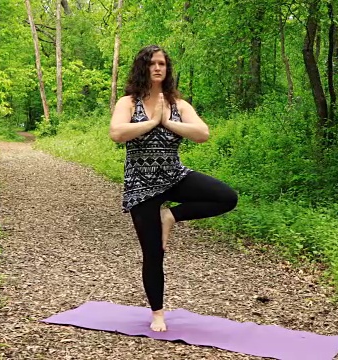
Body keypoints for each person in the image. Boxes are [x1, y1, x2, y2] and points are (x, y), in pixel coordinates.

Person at [109, 45, 238, 332]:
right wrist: (152, 122)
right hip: (141, 185)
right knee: (154, 253)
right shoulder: (129, 103)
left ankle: (172, 216)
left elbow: (202, 134)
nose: (157, 68)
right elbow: (117, 133)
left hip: (174, 176)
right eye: (152, 63)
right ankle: (157, 313)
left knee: (226, 197)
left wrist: (167, 121)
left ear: (167, 70)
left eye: (162, 64)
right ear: (142, 67)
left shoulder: (177, 103)